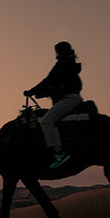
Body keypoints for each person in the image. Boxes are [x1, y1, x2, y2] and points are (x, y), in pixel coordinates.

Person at [25, 41, 83, 169]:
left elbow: (48, 81)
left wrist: (31, 91)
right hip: (70, 98)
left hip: (69, 99)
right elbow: (53, 84)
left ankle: (59, 154)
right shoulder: (68, 64)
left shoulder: (62, 64)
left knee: (47, 121)